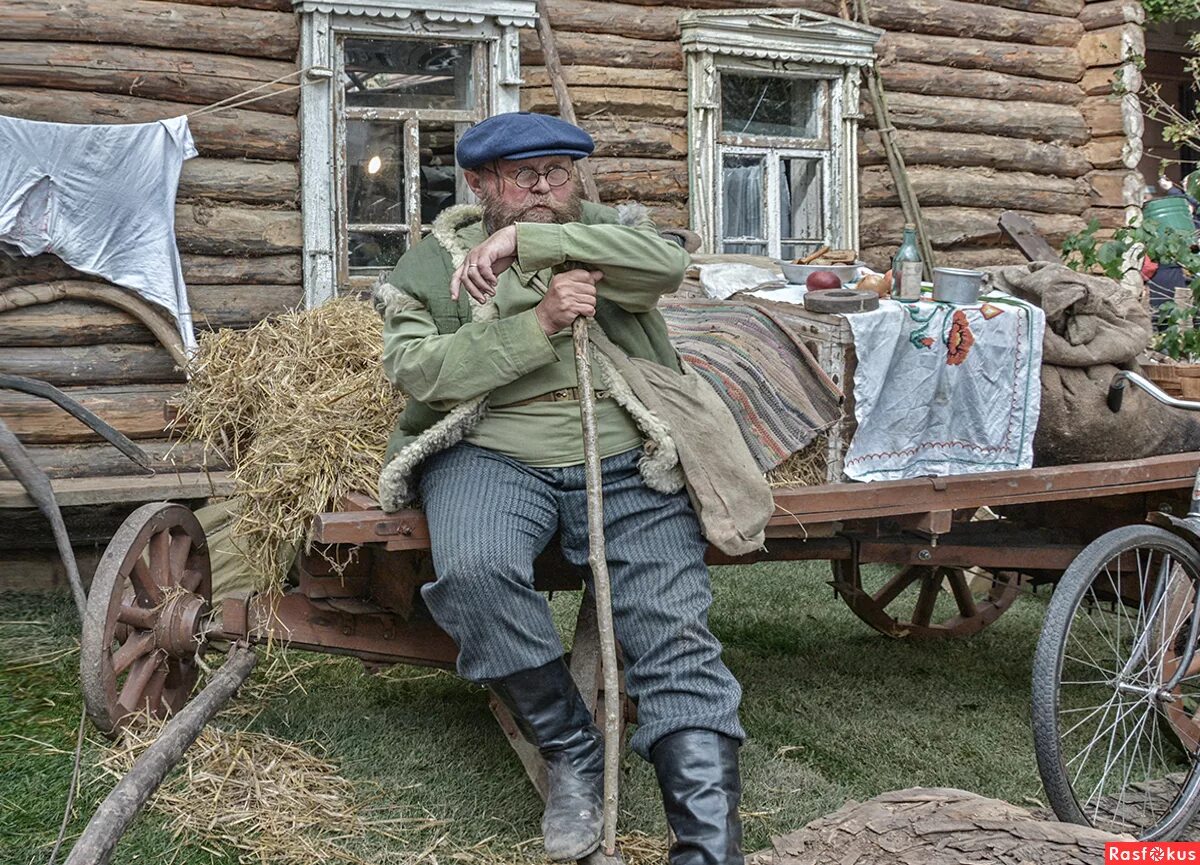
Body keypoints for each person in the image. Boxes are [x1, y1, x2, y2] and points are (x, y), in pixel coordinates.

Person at [373, 111, 760, 865]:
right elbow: (420, 370)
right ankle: (574, 751)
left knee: (672, 630)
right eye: (525, 178)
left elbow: (665, 268)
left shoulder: (609, 234)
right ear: (481, 182)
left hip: (621, 451)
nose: (546, 189)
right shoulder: (430, 263)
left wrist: (538, 240)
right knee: (477, 573)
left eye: (559, 173)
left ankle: (710, 850)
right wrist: (540, 322)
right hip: (488, 450)